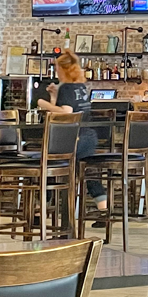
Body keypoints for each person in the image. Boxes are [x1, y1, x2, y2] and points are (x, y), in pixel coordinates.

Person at [37, 50, 107, 211]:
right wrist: (54, 97)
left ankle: (41, 208)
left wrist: (43, 103)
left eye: (57, 69)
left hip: (73, 138)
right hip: (88, 137)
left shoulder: (66, 88)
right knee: (87, 170)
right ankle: (103, 207)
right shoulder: (80, 87)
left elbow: (66, 113)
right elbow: (64, 110)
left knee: (47, 162)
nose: (56, 72)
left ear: (63, 69)